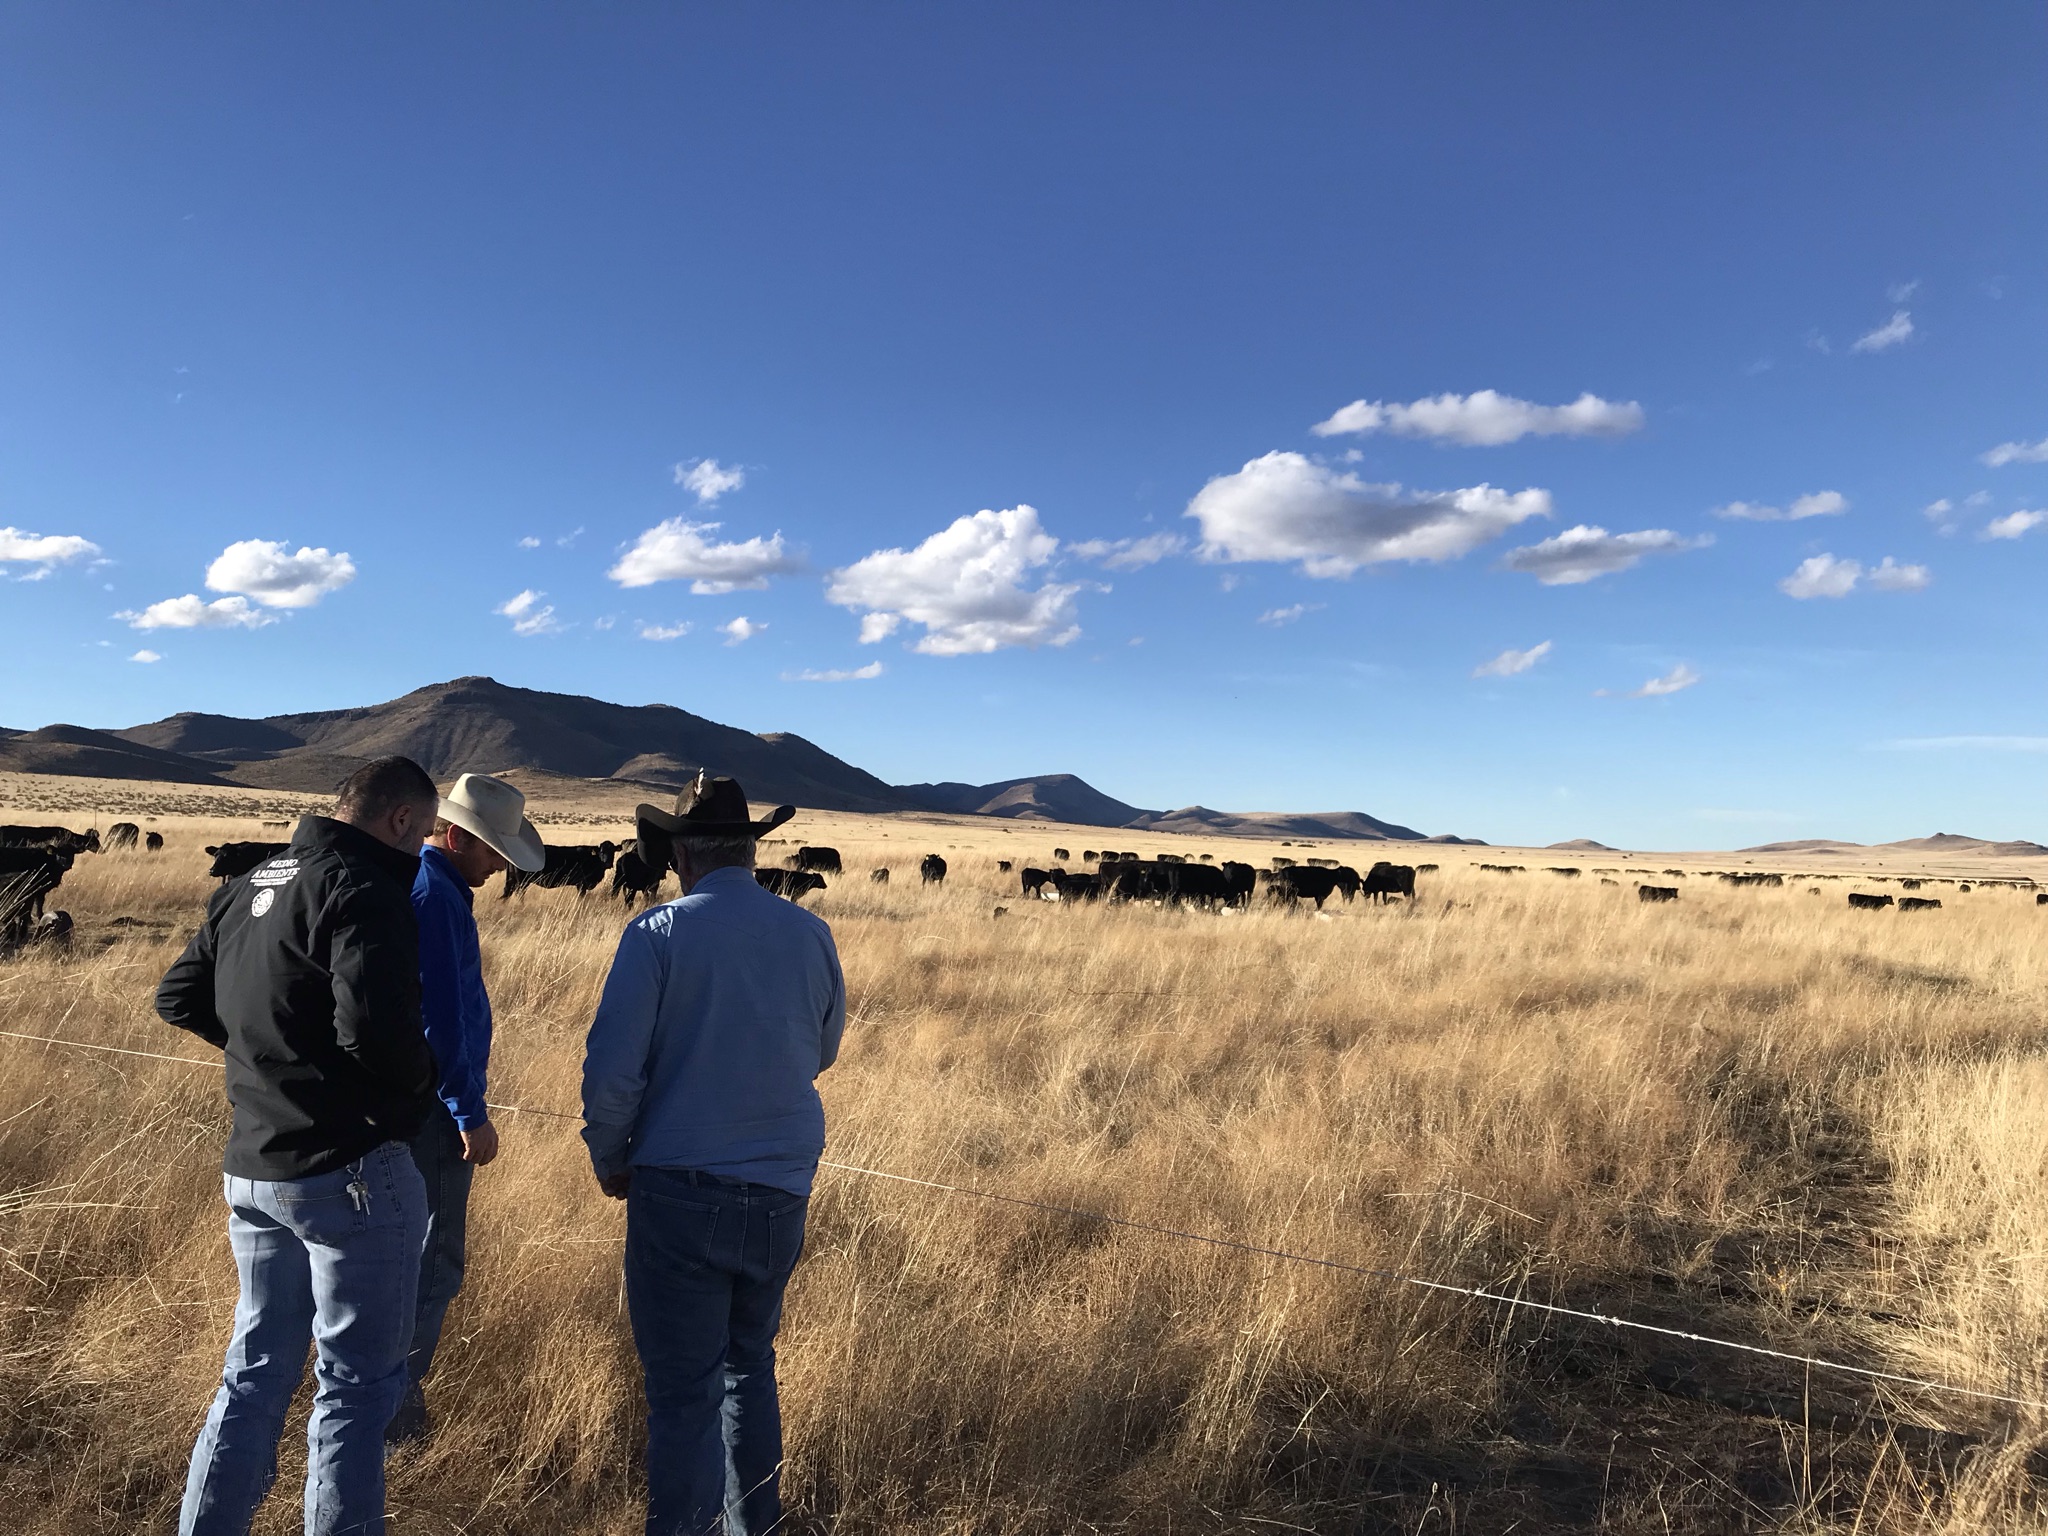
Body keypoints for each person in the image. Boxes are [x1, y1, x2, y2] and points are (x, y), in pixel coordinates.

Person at [156, 756, 443, 1536]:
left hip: (254, 1166)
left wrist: (271, 1058)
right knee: (355, 1390)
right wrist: (420, 1089)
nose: (421, 847)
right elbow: (374, 1032)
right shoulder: (366, 889)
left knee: (251, 1375)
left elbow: (178, 996)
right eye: (423, 832)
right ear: (399, 820)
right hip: (350, 1172)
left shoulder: (250, 882)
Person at [581, 773, 845, 1536]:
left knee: (681, 1394)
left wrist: (609, 1154)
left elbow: (613, 1072)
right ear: (751, 853)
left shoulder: (658, 933)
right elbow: (822, 1051)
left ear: (682, 856)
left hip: (679, 1185)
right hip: (780, 1185)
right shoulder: (810, 934)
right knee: (748, 1369)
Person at [386, 772, 546, 1444]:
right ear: (455, 837)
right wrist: (467, 1112)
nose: (500, 866)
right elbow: (441, 1020)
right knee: (433, 1256)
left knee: (405, 1249)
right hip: (433, 1112)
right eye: (492, 851)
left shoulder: (430, 886)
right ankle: (395, 1407)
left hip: (416, 1102)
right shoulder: (436, 896)